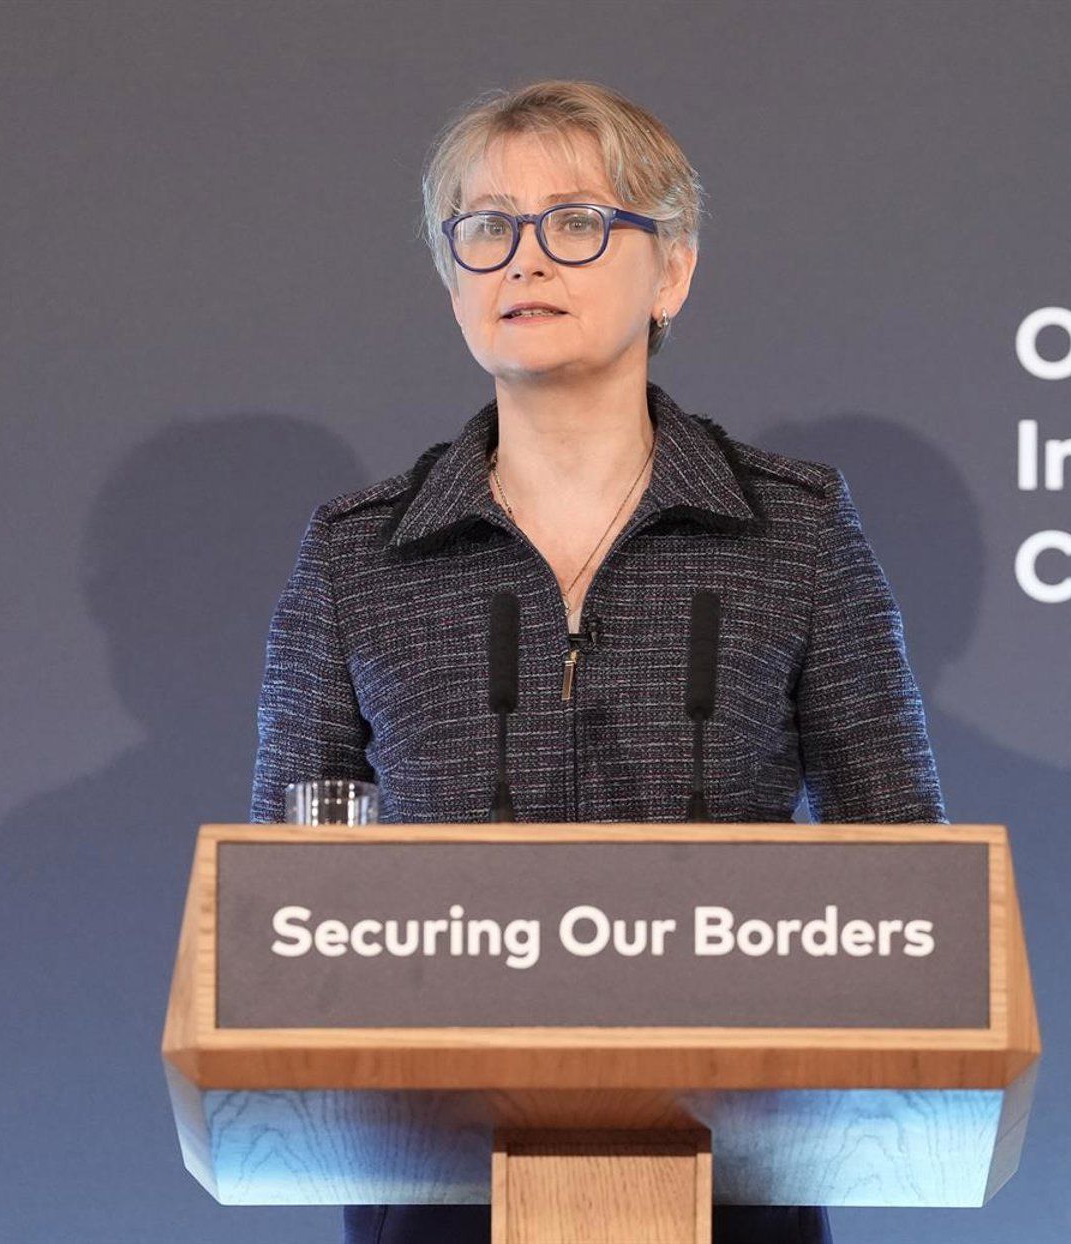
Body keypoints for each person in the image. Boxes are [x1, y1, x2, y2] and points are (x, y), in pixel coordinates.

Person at [250, 79, 944, 1244]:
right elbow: (284, 918)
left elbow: (909, 889)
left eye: (575, 221)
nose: (525, 258)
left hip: (734, 1181)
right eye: (486, 227)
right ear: (453, 280)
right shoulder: (358, 554)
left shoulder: (794, 530)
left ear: (672, 270)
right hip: (438, 1189)